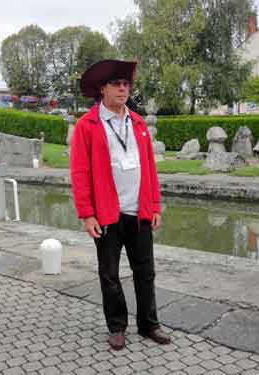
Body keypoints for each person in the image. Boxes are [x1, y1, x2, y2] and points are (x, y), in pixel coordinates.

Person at [70, 60, 170, 350]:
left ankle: (149, 324)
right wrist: (87, 214)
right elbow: (79, 173)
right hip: (107, 215)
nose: (123, 89)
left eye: (126, 84)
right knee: (110, 274)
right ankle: (117, 326)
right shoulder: (87, 125)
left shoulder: (138, 123)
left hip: (138, 212)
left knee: (145, 271)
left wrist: (154, 206)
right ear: (103, 89)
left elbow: (149, 167)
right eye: (117, 84)